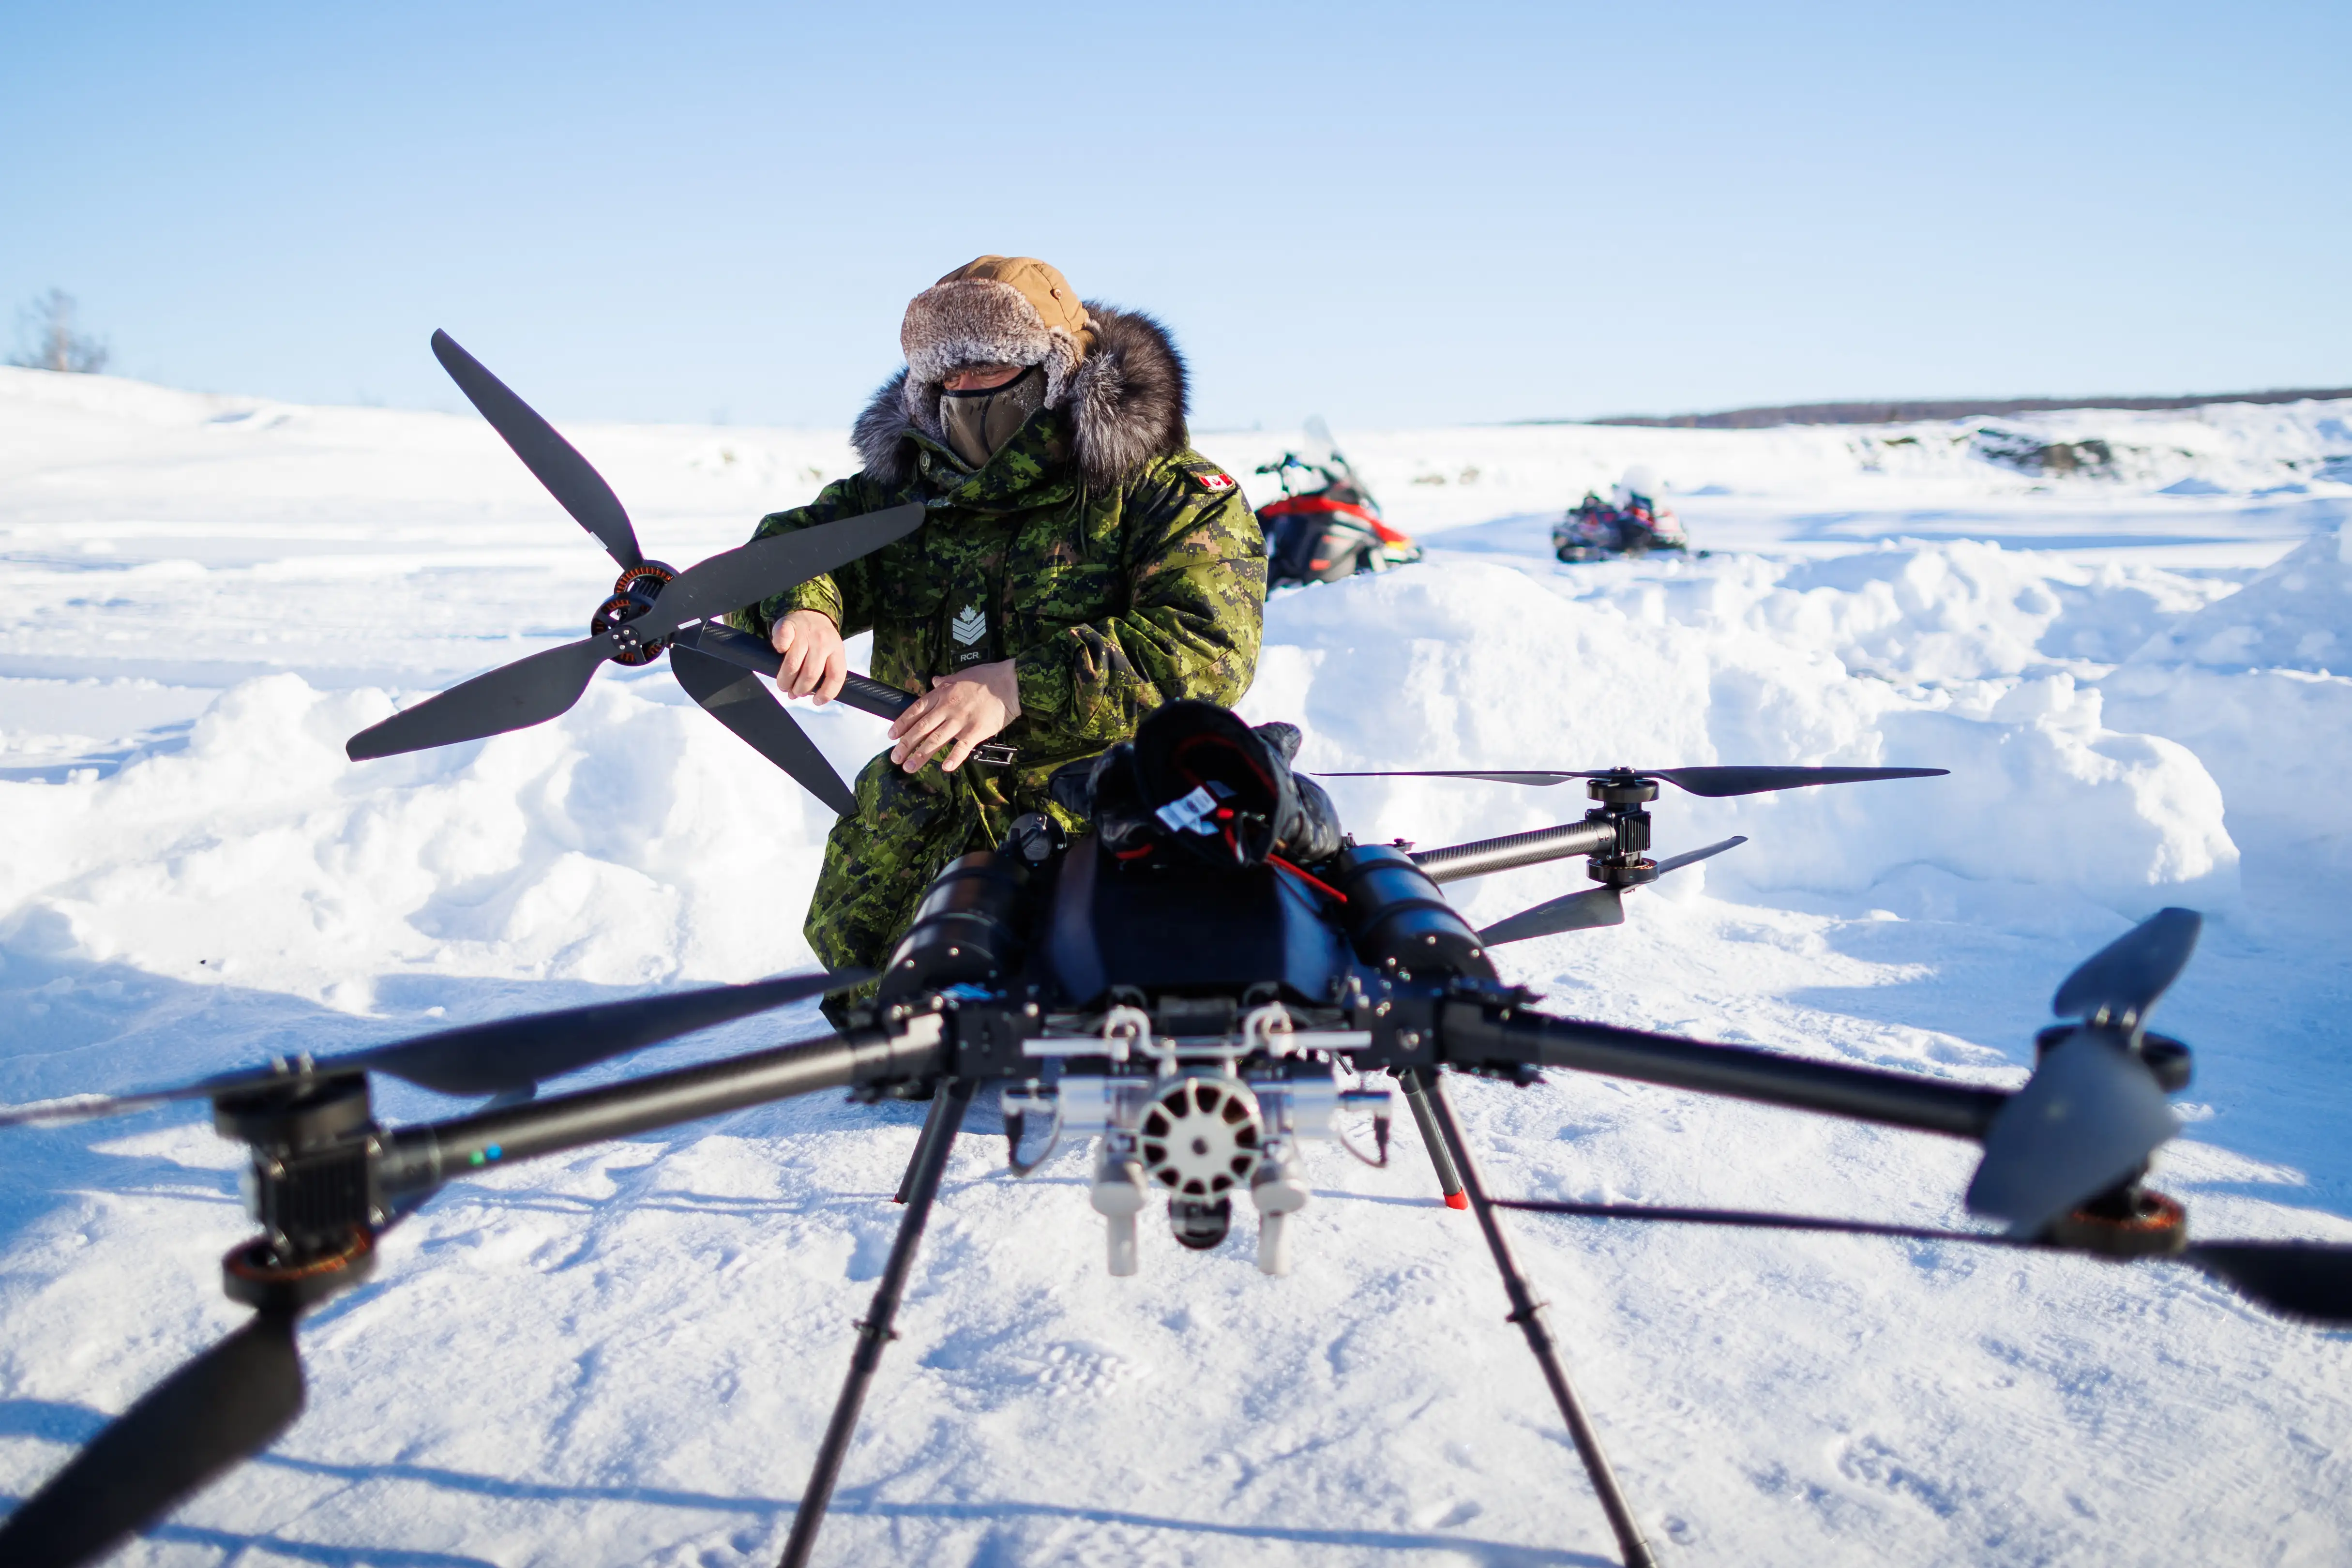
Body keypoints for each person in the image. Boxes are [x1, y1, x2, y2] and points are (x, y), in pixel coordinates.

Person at [731, 256, 1265, 1016]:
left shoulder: (1166, 492)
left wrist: (1019, 684)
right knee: (897, 1030)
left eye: (994, 359)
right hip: (927, 833)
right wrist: (805, 608)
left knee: (1109, 1030)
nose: (971, 381)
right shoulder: (905, 490)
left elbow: (1209, 645)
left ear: (1058, 364)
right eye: (950, 367)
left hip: (1108, 826)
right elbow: (783, 554)